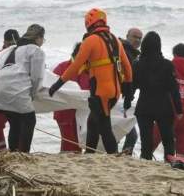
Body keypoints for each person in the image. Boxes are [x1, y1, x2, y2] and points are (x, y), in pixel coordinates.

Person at [49, 8, 132, 154]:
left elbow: (75, 66)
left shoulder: (90, 40)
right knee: (92, 122)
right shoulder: (115, 40)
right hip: (115, 91)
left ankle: (114, 157)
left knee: (105, 127)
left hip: (101, 92)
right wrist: (128, 92)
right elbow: (127, 67)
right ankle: (89, 154)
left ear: (88, 23)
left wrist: (57, 84)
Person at [0, 24, 46, 152]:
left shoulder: (16, 49)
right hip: (17, 89)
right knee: (29, 120)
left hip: (0, 87)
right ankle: (23, 153)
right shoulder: (36, 50)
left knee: (15, 121)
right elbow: (36, 77)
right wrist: (33, 94)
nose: (42, 42)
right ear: (39, 38)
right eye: (43, 39)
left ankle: (13, 151)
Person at [131, 31, 182, 160]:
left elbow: (132, 85)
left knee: (146, 141)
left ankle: (146, 162)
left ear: (144, 46)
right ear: (159, 46)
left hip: (144, 106)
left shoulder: (137, 64)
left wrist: (127, 101)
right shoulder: (167, 65)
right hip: (163, 107)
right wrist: (179, 109)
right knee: (168, 140)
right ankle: (169, 163)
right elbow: (174, 89)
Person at [152, 43, 184, 156]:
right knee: (182, 149)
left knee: (151, 143)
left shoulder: (167, 69)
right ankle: (178, 168)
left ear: (174, 54)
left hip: (167, 111)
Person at [53, 42, 89, 152]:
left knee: (82, 142)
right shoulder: (62, 67)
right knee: (69, 143)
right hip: (65, 111)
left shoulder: (89, 68)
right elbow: (53, 89)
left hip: (84, 111)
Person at [120, 28, 143, 154]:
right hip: (118, 97)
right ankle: (122, 157)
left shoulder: (134, 54)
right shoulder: (123, 51)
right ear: (127, 36)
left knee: (127, 132)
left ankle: (120, 157)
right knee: (131, 134)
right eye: (135, 37)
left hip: (124, 99)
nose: (137, 40)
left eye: (140, 38)